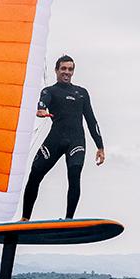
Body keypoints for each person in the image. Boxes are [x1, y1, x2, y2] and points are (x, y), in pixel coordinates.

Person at [21, 55, 105, 220]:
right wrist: (41, 110)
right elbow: (42, 102)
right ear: (56, 70)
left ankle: (68, 219)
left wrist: (100, 146)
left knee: (74, 176)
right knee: (35, 174)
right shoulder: (50, 91)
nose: (67, 72)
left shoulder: (82, 93)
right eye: (63, 69)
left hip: (76, 141)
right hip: (55, 139)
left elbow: (91, 120)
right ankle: (25, 218)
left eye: (70, 69)